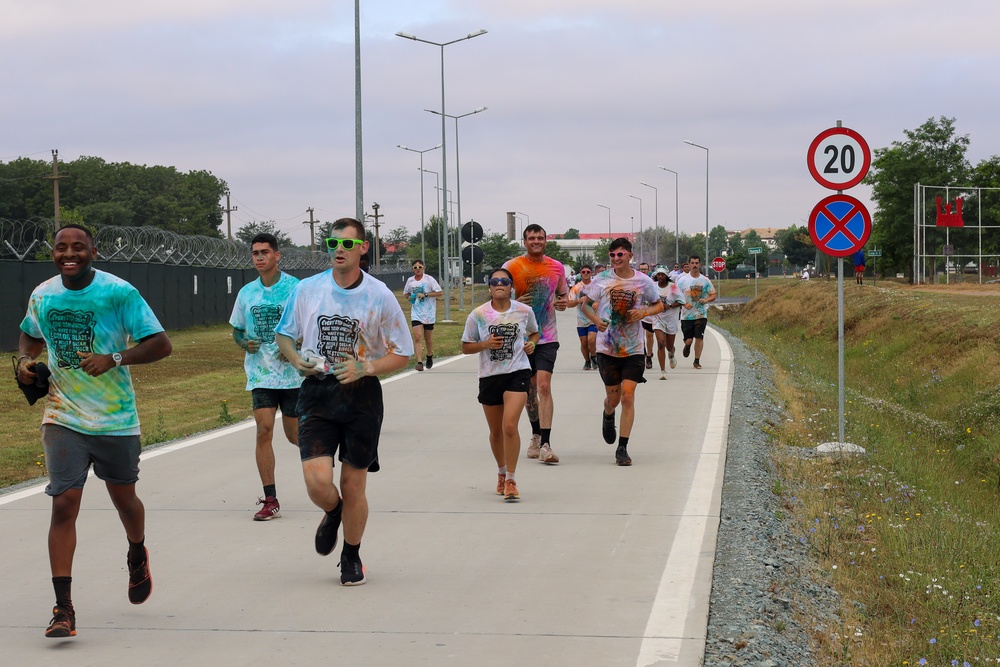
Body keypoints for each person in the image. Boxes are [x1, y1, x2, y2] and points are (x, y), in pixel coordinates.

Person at [17, 224, 172, 638]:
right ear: (53, 252)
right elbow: (29, 336)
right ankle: (63, 608)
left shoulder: (119, 292)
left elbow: (161, 344)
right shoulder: (43, 294)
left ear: (94, 252)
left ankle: (137, 551)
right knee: (64, 502)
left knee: (125, 499)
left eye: (78, 247)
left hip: (115, 419)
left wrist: (115, 357)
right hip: (62, 415)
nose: (70, 254)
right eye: (62, 247)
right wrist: (23, 361)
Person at [275, 218, 412, 586]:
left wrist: (366, 366)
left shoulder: (379, 294)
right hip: (317, 392)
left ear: (363, 248)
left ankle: (351, 554)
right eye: (333, 243)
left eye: (347, 244)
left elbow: (404, 353)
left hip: (361, 397)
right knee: (317, 481)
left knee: (354, 485)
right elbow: (284, 334)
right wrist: (294, 359)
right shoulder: (307, 289)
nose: (339, 250)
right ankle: (332, 511)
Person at [230, 233, 302, 521]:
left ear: (277, 255)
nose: (259, 257)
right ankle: (270, 498)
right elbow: (236, 329)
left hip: (292, 376)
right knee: (264, 430)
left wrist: (294, 348)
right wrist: (243, 343)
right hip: (261, 374)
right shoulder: (247, 293)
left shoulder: (295, 288)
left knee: (295, 436)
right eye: (255, 253)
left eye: (264, 252)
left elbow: (310, 325)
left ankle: (323, 463)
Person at [579, 237, 664, 466]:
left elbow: (659, 304)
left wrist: (644, 313)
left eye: (620, 254)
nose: (616, 258)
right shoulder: (602, 279)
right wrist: (596, 321)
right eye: (613, 255)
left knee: (628, 396)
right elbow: (584, 304)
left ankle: (623, 448)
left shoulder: (643, 281)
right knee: (614, 399)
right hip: (607, 348)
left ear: (630, 256)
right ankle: (608, 413)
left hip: (634, 348)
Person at [462, 268, 540, 501]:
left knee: (509, 426)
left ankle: (512, 479)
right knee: (496, 432)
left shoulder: (524, 311)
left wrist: (532, 345)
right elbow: (466, 346)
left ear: (510, 286)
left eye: (504, 281)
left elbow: (534, 333)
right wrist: (486, 344)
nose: (499, 284)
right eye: (494, 281)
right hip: (489, 375)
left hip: (518, 371)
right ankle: (501, 472)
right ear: (489, 287)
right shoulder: (478, 315)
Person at [503, 224, 569, 464]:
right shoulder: (511, 267)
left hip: (547, 336)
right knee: (529, 390)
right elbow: (497, 298)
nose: (536, 241)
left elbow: (564, 295)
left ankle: (546, 445)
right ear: (525, 242)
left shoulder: (556, 267)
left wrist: (563, 302)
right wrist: (514, 301)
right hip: (520, 338)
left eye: (540, 238)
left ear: (545, 241)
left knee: (543, 386)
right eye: (531, 238)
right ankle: (535, 433)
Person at [676, 255, 717, 370]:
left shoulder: (705, 280)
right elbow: (676, 295)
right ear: (688, 265)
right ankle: (687, 345)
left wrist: (706, 300)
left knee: (699, 337)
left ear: (700, 265)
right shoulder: (682, 280)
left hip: (701, 313)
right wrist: (684, 304)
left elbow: (713, 295)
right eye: (692, 263)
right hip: (686, 315)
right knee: (689, 339)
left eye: (696, 263)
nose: (694, 265)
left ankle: (696, 361)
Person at [403, 260, 443, 371]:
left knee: (428, 339)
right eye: (415, 267)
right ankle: (419, 362)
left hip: (429, 313)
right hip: (416, 313)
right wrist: (410, 298)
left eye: (419, 267)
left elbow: (439, 293)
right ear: (412, 269)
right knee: (417, 337)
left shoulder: (429, 279)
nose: (417, 269)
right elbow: (406, 293)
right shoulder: (410, 281)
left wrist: (425, 294)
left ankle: (429, 355)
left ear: (423, 267)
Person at [649, 267, 685, 380]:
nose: (660, 277)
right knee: (660, 342)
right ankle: (663, 371)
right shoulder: (653, 287)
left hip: (671, 319)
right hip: (658, 318)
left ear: (666, 276)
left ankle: (671, 353)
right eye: (658, 274)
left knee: (669, 346)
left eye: (662, 275)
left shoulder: (673, 287)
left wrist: (669, 306)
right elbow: (647, 298)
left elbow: (682, 301)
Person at [566, 264, 598, 370]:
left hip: (593, 319)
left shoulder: (596, 286)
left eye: (588, 272)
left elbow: (603, 299)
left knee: (591, 340)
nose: (585, 274)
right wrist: (578, 301)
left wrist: (596, 303)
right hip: (581, 320)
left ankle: (593, 356)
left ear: (591, 273)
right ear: (580, 273)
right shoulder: (576, 288)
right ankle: (587, 361)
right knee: (584, 342)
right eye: (583, 272)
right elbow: (569, 304)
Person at [637, 262, 655, 369]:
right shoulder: (635, 283)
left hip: (649, 314)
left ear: (648, 270)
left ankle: (649, 356)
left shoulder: (652, 283)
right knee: (640, 336)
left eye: (645, 269)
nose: (643, 271)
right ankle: (642, 352)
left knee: (650, 336)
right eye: (641, 269)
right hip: (638, 314)